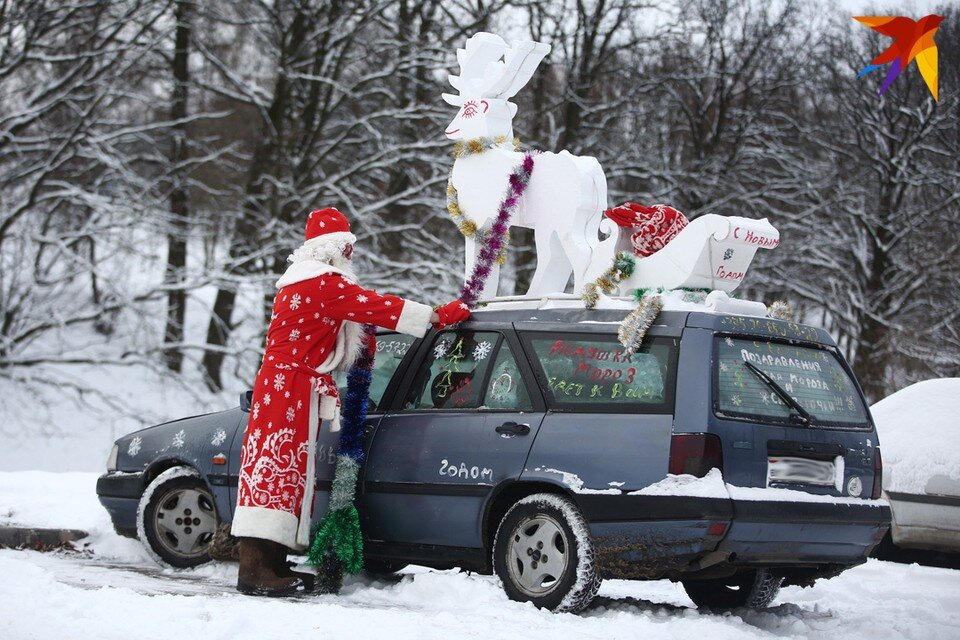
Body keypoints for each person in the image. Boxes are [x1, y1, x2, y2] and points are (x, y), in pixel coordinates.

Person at [231, 207, 470, 596]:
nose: (351, 253)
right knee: (277, 469)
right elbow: (376, 305)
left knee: (280, 469)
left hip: (281, 385)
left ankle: (270, 562)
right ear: (333, 248)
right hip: (291, 388)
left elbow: (342, 320)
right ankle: (255, 570)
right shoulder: (324, 284)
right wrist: (435, 316)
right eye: (347, 246)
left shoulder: (296, 284)